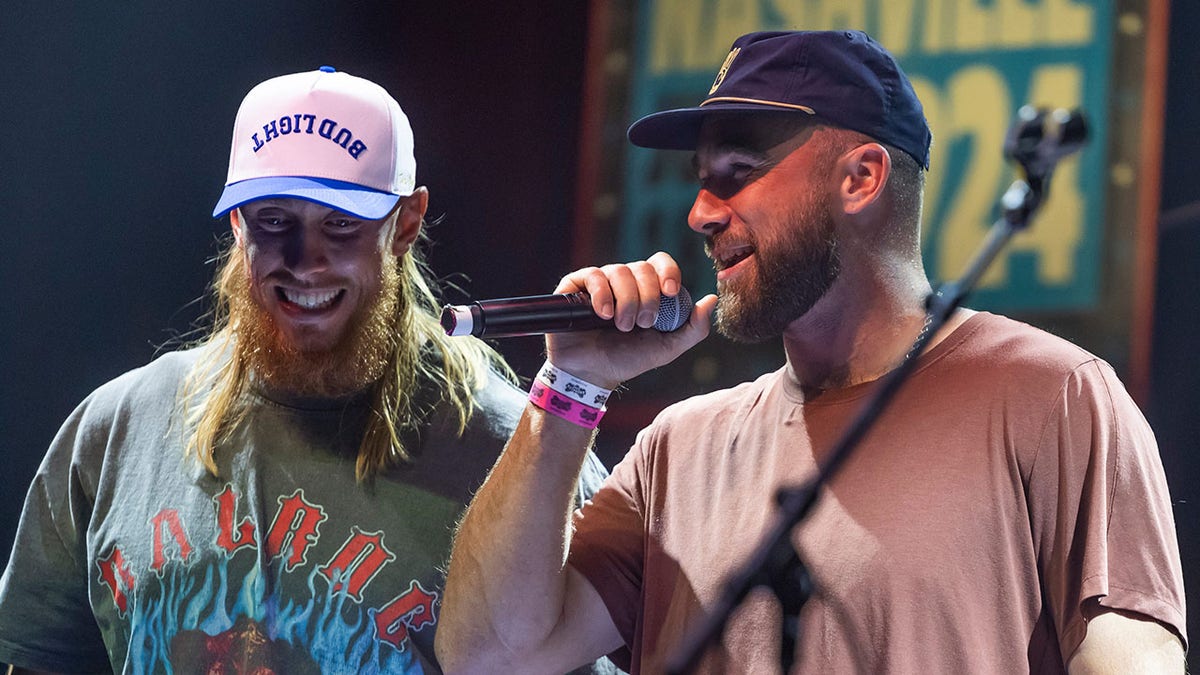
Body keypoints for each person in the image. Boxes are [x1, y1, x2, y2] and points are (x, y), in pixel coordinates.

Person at [436, 30, 1187, 673]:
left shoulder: (1052, 396)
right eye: (700, 184)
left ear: (859, 177)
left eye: (736, 174)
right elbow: (486, 655)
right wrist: (571, 383)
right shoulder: (676, 452)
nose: (700, 213)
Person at [0, 67, 614, 673]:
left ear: (406, 223)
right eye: (275, 221)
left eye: (341, 224)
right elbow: (38, 659)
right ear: (237, 223)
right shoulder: (116, 431)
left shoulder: (522, 455)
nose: (304, 262)